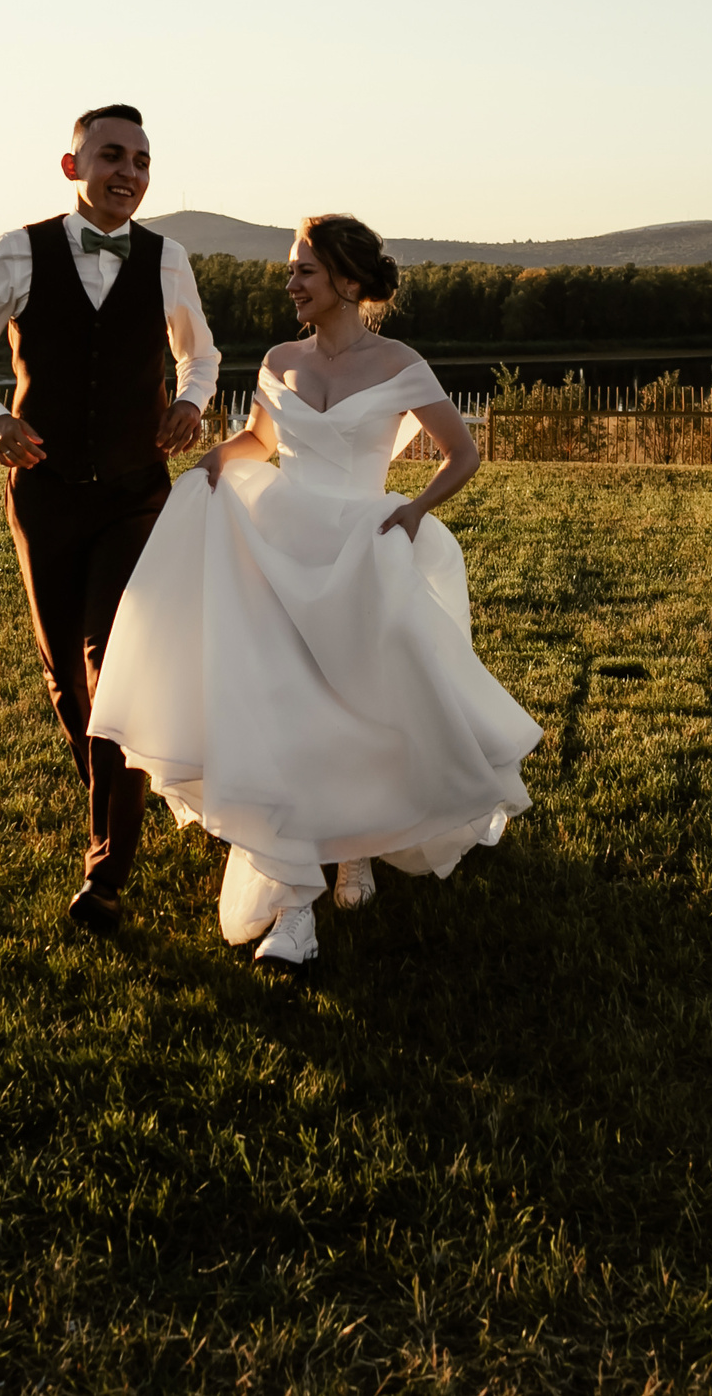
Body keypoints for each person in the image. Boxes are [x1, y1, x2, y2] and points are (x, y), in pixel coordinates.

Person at [87, 214, 541, 970]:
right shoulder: (277, 359)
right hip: (276, 550)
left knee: (361, 708)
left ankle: (354, 845)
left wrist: (414, 511)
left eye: (304, 270)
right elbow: (262, 443)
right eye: (291, 269)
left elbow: (464, 454)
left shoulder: (399, 362)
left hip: (360, 555)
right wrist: (209, 467)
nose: (290, 282)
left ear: (349, 283)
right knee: (279, 708)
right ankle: (293, 911)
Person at [0, 104, 220, 935]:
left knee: (112, 664)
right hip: (47, 492)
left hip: (137, 493)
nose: (127, 172)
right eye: (111, 156)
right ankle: (115, 802)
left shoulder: (168, 260)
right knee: (66, 675)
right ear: (73, 167)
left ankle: (106, 876)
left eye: (141, 160)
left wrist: (193, 403)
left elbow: (197, 353)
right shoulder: (20, 250)